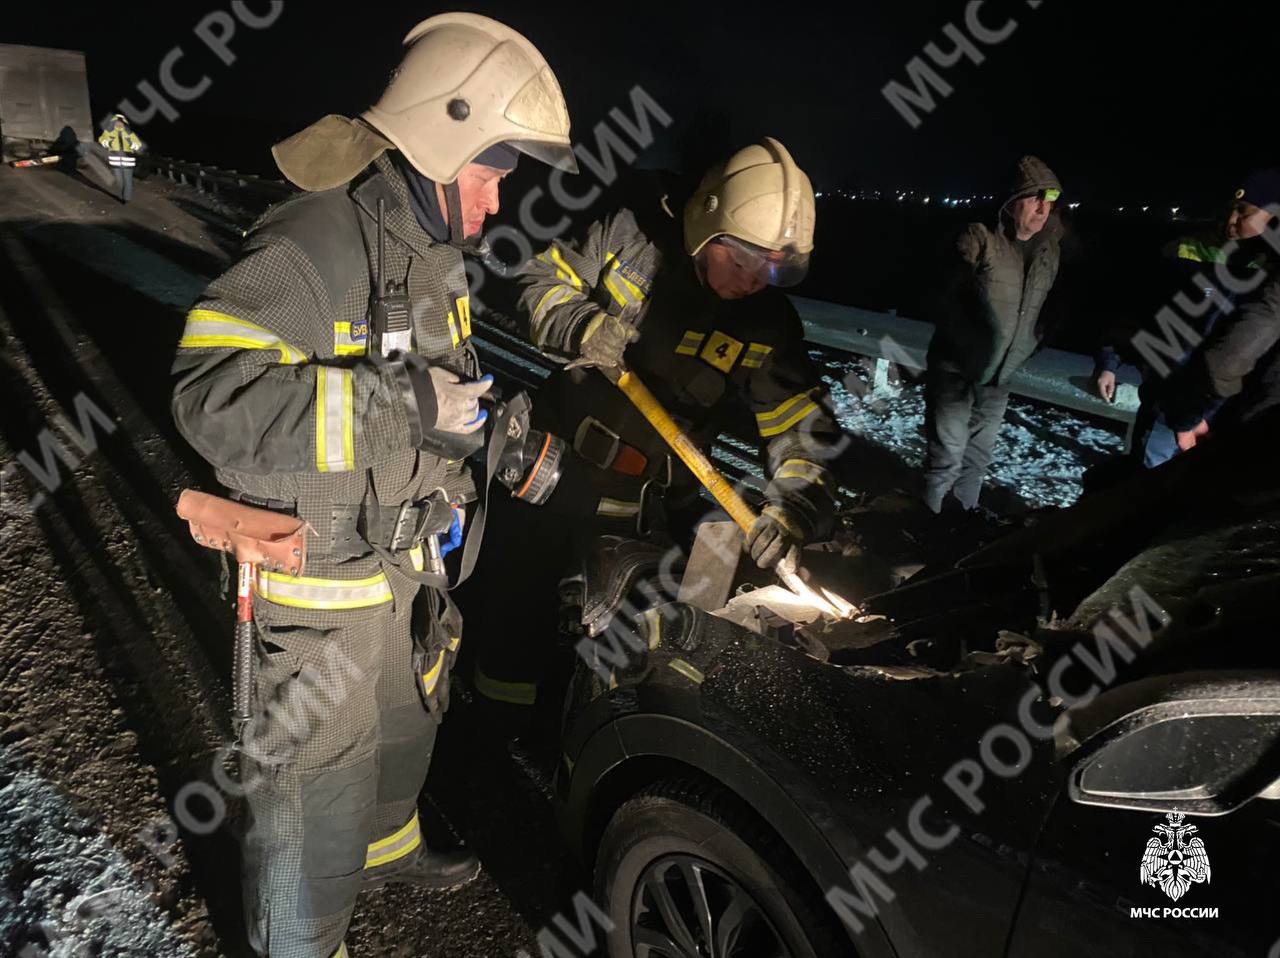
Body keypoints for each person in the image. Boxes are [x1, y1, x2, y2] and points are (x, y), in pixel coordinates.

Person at [169, 14, 576, 957]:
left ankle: (386, 850)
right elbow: (209, 399)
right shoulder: (316, 238)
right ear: (441, 141)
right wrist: (401, 412)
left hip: (400, 571)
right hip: (322, 595)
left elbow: (424, 382)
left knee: (402, 738)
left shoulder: (429, 253)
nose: (497, 202)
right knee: (315, 795)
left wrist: (483, 434)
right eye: (490, 173)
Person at [467, 139, 841, 706]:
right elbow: (538, 282)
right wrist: (579, 324)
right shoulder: (628, 240)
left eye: (774, 270)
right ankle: (496, 741)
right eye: (741, 260)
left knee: (642, 649)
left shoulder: (767, 324)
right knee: (515, 622)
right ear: (704, 228)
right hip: (556, 475)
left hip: (651, 506)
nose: (753, 282)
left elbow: (801, 427)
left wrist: (792, 510)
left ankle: (587, 739)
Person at [1092, 170, 1279, 466]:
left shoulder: (1271, 271)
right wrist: (1110, 361)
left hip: (1228, 416)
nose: (1231, 219)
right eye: (1230, 208)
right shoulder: (1186, 251)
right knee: (1146, 483)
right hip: (1170, 403)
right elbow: (1140, 311)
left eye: (1243, 212)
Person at [922, 155, 1064, 514]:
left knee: (977, 460)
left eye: (1049, 199)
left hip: (1000, 377)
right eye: (1034, 197)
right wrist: (968, 346)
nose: (1042, 208)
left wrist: (1033, 343)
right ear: (1012, 200)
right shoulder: (978, 237)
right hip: (957, 371)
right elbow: (944, 295)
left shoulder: (1051, 250)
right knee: (946, 460)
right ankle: (925, 528)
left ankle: (961, 525)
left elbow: (1055, 306)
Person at [97, 113, 142, 202]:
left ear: (124, 123)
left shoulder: (129, 133)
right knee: (119, 181)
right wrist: (108, 142)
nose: (119, 124)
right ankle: (122, 195)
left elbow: (138, 145)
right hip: (115, 161)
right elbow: (101, 140)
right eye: (117, 122)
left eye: (121, 122)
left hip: (128, 161)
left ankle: (126, 199)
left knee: (128, 181)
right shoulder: (108, 132)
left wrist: (132, 145)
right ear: (113, 123)